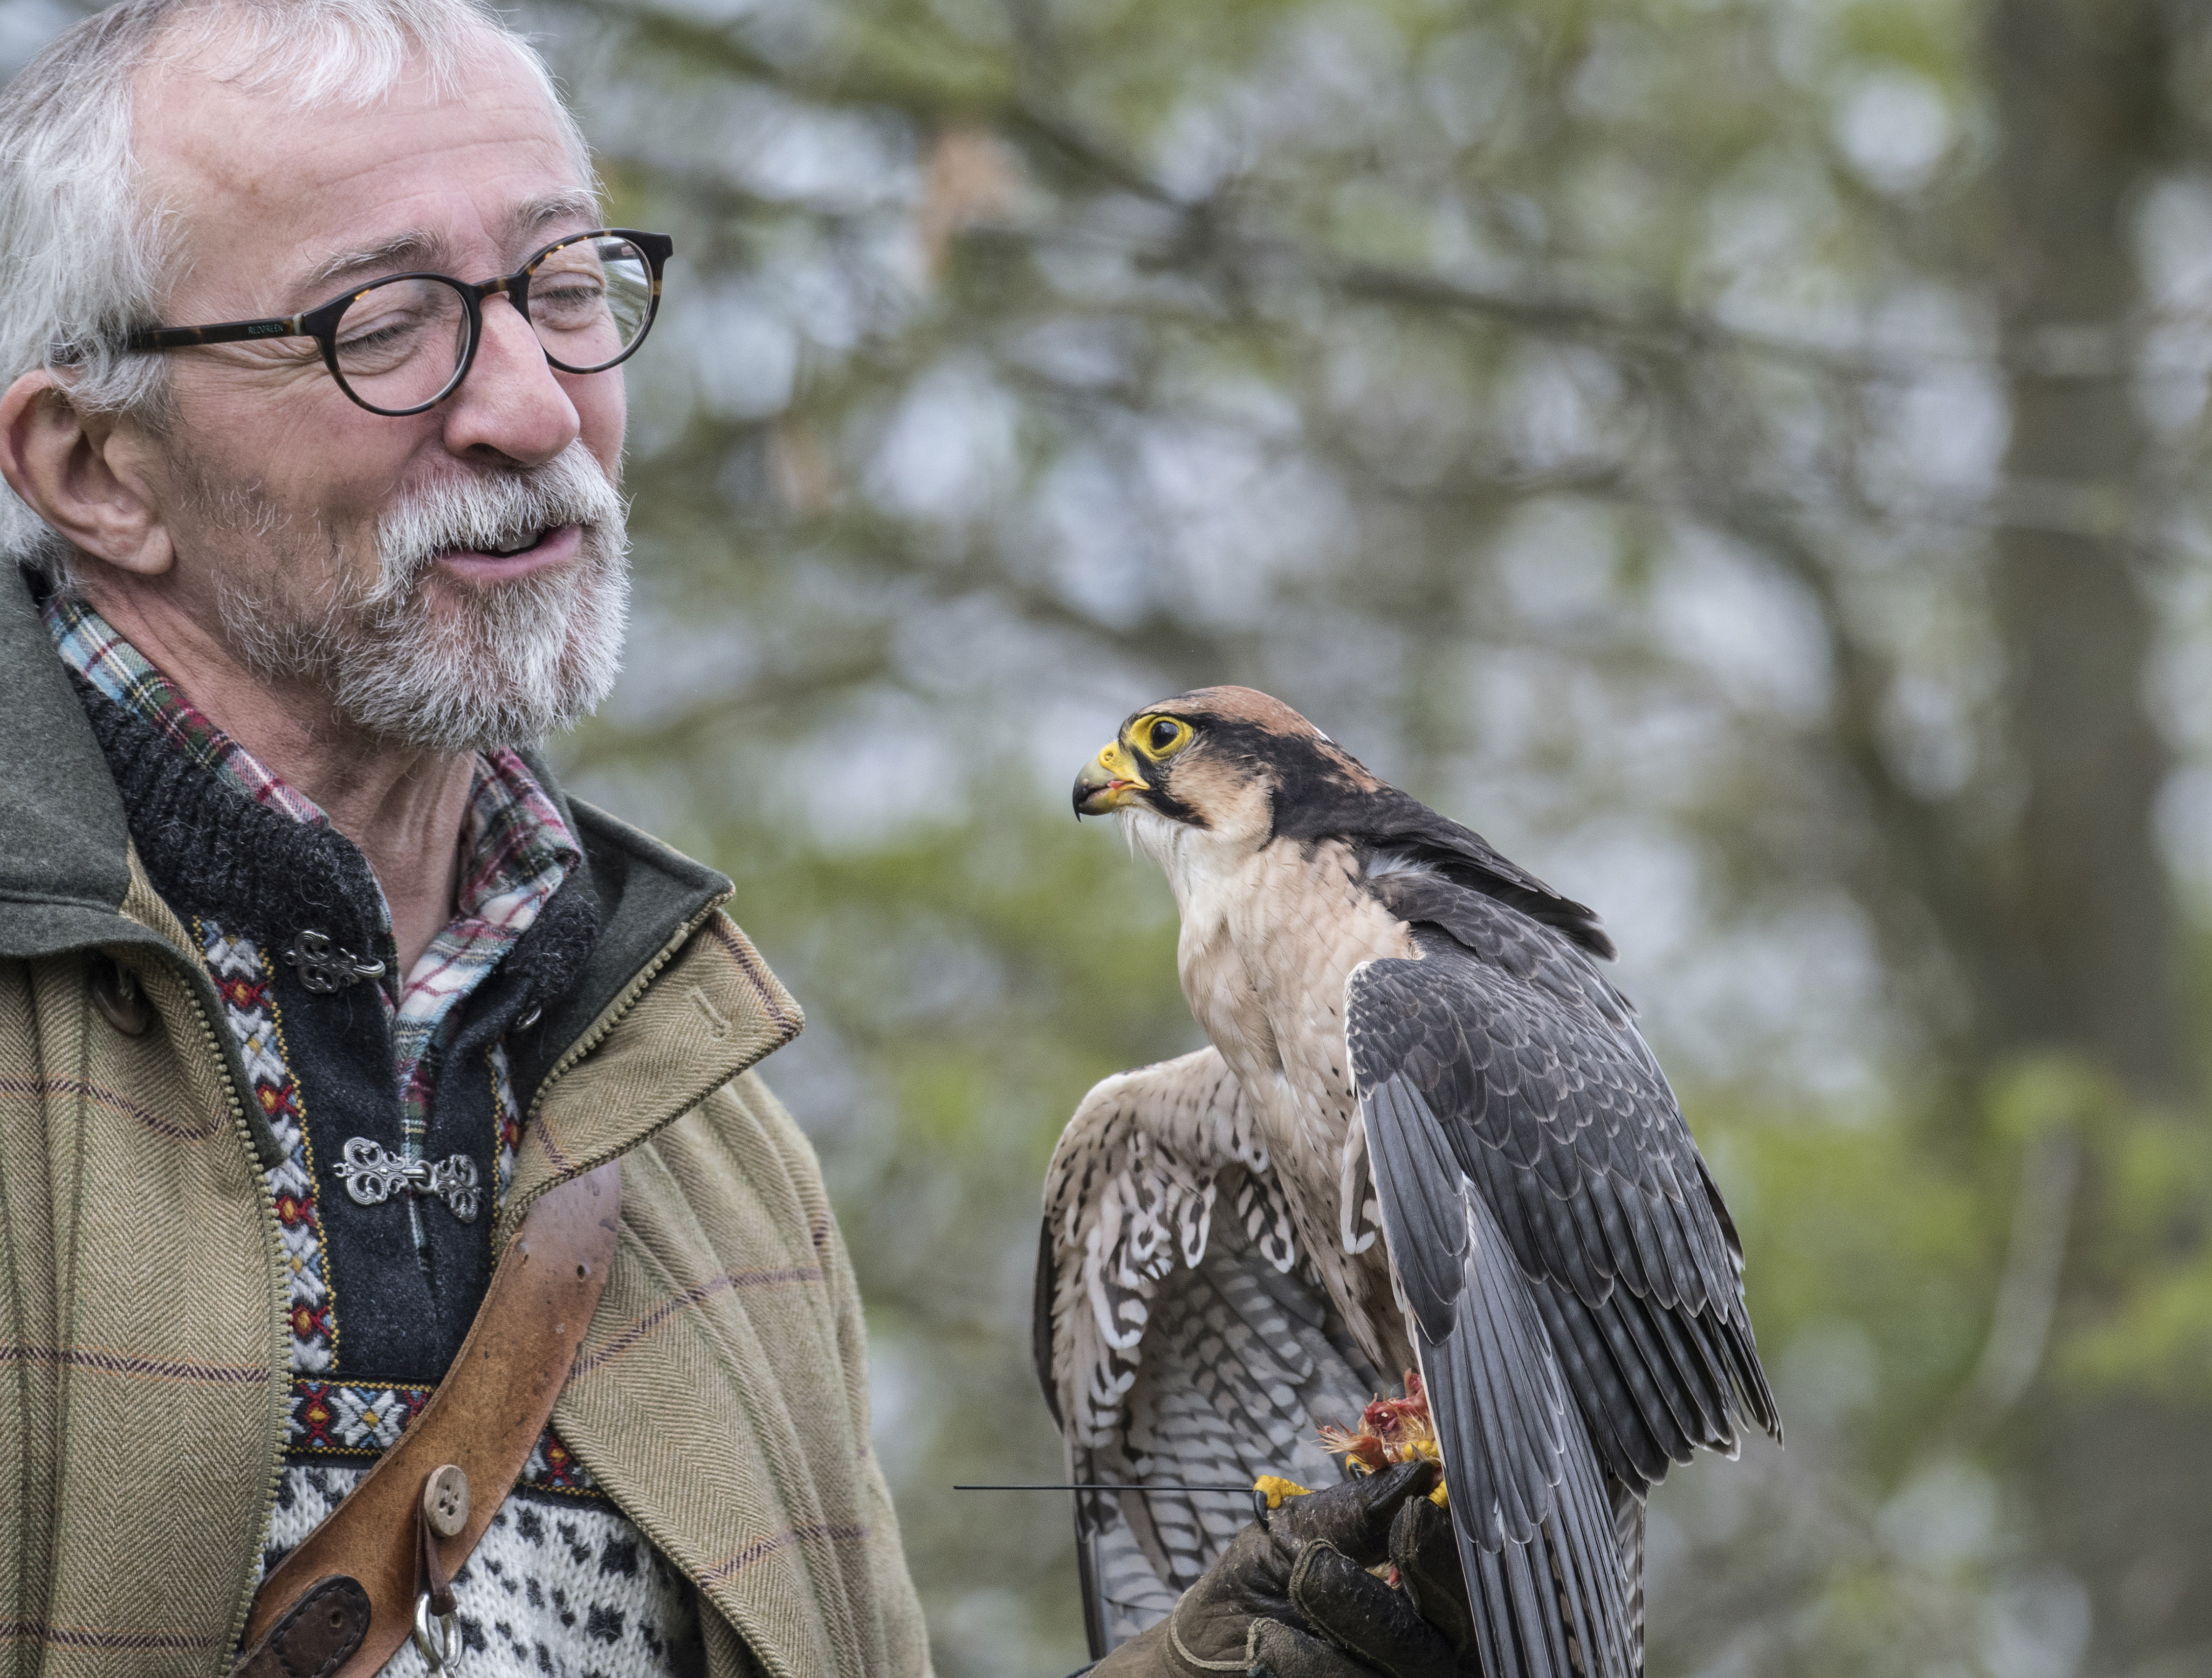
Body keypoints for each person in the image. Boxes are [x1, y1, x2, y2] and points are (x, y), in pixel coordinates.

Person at [0, 2, 1474, 1673]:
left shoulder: (698, 1122)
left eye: (565, 293)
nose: (534, 410)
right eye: (388, 325)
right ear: (94, 463)